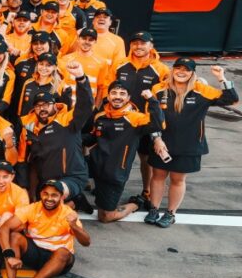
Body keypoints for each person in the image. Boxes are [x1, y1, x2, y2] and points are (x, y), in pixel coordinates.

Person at [146, 60, 238, 228]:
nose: (181, 72)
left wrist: (221, 77)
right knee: (158, 176)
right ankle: (154, 209)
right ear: (173, 70)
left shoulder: (201, 89)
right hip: (162, 144)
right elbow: (151, 116)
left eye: (186, 70)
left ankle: (170, 213)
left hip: (189, 145)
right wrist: (156, 139)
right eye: (178, 68)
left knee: (177, 179)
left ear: (192, 73)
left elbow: (231, 99)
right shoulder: (158, 89)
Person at [0, 180, 91, 278]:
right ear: (41, 194)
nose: (49, 198)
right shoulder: (32, 208)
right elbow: (4, 228)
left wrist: (74, 226)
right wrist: (9, 254)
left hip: (57, 260)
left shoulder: (68, 214)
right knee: (14, 236)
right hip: (35, 252)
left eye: (54, 195)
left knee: (63, 252)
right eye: (46, 194)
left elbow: (86, 242)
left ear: (62, 197)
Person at [18, 61, 93, 205]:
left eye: (46, 104)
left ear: (54, 105)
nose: (42, 108)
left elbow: (86, 106)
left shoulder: (66, 119)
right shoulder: (28, 128)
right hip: (46, 182)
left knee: (53, 196)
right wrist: (26, 189)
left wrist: (81, 78)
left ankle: (71, 201)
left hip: (72, 177)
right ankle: (74, 202)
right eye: (38, 105)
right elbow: (23, 161)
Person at [109, 32, 169, 208]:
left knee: (146, 159)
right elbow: (109, 89)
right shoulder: (120, 65)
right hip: (122, 119)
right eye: (135, 43)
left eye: (143, 43)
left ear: (151, 46)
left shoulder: (162, 69)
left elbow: (166, 98)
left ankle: (147, 190)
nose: (138, 47)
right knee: (116, 155)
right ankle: (111, 187)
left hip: (146, 122)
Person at [88, 82, 163, 223]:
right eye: (114, 93)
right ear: (108, 96)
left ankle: (135, 204)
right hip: (98, 168)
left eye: (122, 94)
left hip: (116, 172)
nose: (117, 97)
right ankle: (77, 200)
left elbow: (158, 124)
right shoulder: (100, 116)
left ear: (128, 98)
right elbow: (92, 137)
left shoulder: (135, 118)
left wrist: (152, 100)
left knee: (106, 218)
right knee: (100, 214)